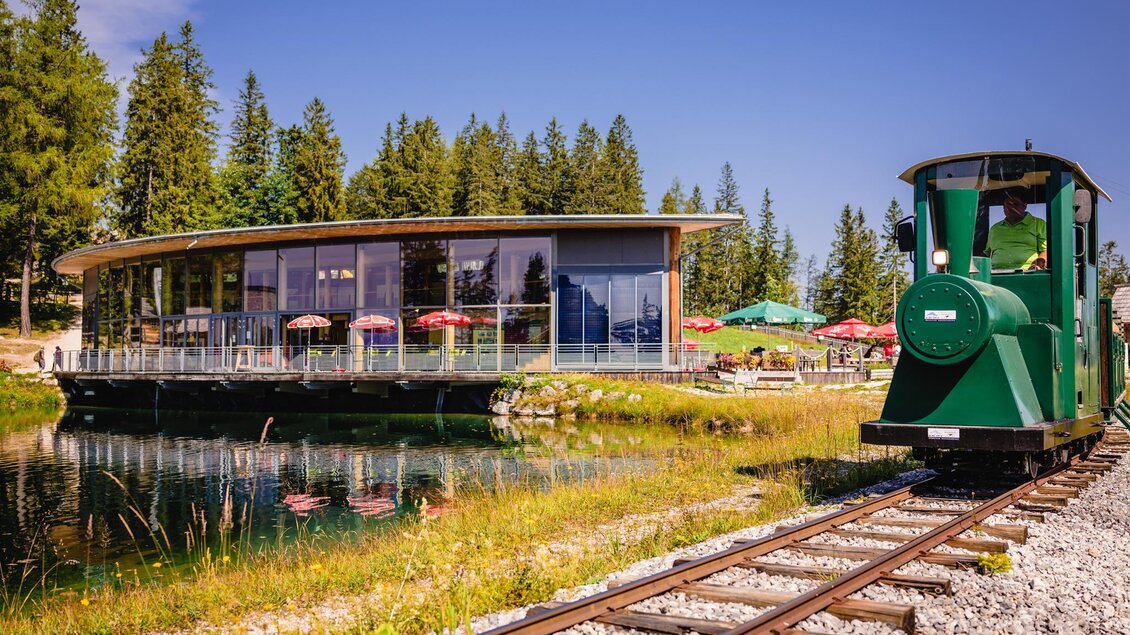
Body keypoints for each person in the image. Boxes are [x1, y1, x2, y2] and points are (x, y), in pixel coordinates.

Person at [986, 187, 1047, 271]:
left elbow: (1046, 251)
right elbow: (985, 254)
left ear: (1025, 205)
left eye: (1016, 204)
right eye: (1007, 205)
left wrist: (1038, 265)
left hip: (1027, 274)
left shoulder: (1039, 224)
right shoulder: (995, 228)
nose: (1010, 208)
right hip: (995, 274)